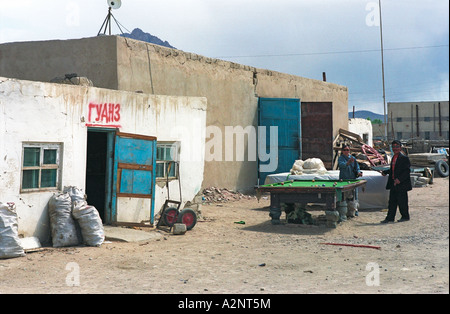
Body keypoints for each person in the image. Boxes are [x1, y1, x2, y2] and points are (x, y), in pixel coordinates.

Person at [381, 140, 412, 223]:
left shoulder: (404, 158)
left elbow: (406, 171)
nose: (395, 148)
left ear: (400, 148)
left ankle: (405, 216)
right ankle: (390, 218)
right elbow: (393, 169)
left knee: (402, 202)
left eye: (397, 147)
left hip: (401, 184)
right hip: (393, 183)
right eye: (393, 147)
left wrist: (399, 180)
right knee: (392, 202)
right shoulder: (394, 157)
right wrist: (385, 172)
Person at [337, 144, 363, 218]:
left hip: (353, 179)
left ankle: (355, 211)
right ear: (342, 151)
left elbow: (357, 167)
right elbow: (342, 165)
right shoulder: (341, 158)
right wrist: (348, 162)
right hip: (344, 180)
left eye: (347, 150)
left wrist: (358, 172)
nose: (346, 151)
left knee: (355, 197)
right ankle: (343, 212)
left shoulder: (353, 158)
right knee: (343, 197)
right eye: (345, 150)